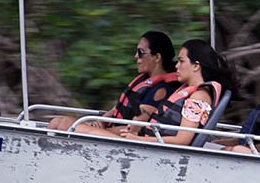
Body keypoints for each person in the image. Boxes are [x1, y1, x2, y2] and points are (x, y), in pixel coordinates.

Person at [84, 39, 235, 147]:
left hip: (152, 149)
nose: (176, 66)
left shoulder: (199, 97)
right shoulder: (186, 91)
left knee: (78, 129)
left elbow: (183, 140)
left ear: (196, 66)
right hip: (146, 141)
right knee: (71, 126)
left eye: (181, 61)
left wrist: (139, 140)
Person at [48, 30, 179, 132]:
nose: (135, 56)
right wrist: (101, 122)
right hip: (113, 128)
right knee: (57, 122)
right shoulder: (145, 80)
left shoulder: (162, 89)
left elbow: (135, 127)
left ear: (157, 57)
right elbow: (116, 109)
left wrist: (100, 130)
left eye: (140, 52)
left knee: (66, 125)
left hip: (124, 136)